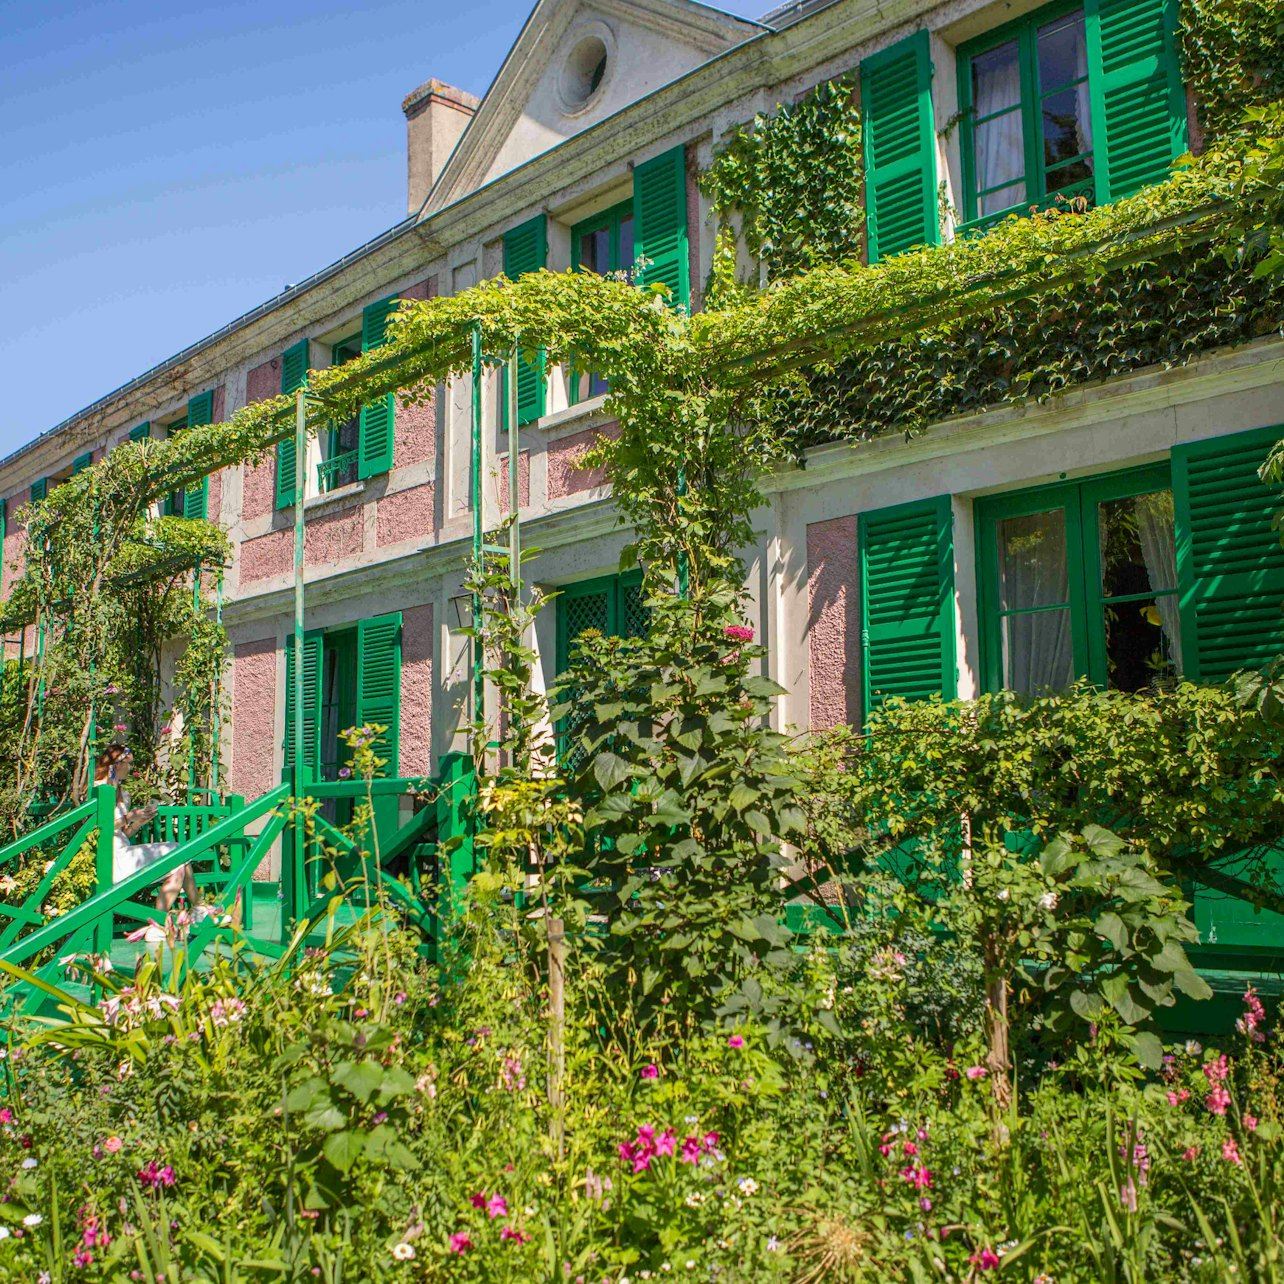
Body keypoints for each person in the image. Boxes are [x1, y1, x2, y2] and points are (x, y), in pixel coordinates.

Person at [95, 745, 203, 936]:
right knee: (178, 854)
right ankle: (196, 909)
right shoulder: (99, 788)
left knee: (178, 859)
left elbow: (124, 834)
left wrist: (139, 821)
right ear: (117, 763)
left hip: (124, 850)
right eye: (128, 764)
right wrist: (129, 817)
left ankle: (159, 924)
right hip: (110, 858)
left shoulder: (122, 793)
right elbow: (101, 828)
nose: (130, 768)